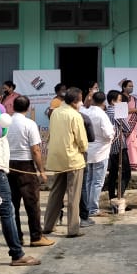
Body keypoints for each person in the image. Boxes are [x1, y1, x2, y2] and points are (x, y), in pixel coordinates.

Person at [6, 95, 54, 249]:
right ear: (28, 108)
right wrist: (41, 170)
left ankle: (17, 238)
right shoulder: (29, 124)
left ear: (12, 106)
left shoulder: (5, 123)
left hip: (8, 165)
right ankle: (36, 236)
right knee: (32, 203)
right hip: (25, 166)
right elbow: (36, 150)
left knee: (13, 205)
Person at [0, 122, 40, 267]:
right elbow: (35, 149)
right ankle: (17, 253)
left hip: (1, 169)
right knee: (7, 211)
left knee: (8, 210)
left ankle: (16, 249)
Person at [41, 87, 89, 238]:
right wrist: (84, 149)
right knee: (73, 195)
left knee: (56, 193)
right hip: (73, 158)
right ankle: (73, 229)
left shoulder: (55, 112)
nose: (81, 103)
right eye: (80, 100)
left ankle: (48, 225)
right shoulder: (75, 115)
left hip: (56, 157)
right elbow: (81, 140)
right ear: (75, 101)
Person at [79, 90, 115, 224]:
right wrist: (113, 135)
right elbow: (108, 134)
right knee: (97, 182)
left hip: (88, 149)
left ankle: (88, 206)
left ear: (92, 100)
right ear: (104, 102)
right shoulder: (102, 115)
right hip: (101, 151)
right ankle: (93, 208)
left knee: (88, 180)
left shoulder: (85, 112)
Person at [104, 90, 132, 209]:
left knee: (113, 174)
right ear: (112, 101)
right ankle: (119, 198)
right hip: (119, 146)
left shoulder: (105, 112)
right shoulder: (116, 112)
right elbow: (127, 127)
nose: (121, 103)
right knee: (126, 173)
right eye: (120, 100)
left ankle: (112, 199)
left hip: (110, 147)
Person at [121, 79, 137, 172]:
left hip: (135, 125)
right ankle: (129, 163)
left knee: (135, 142)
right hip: (126, 124)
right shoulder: (121, 98)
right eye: (129, 86)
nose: (131, 87)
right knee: (128, 143)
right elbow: (121, 111)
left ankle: (136, 163)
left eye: (132, 86)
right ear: (124, 87)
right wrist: (136, 109)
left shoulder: (134, 98)